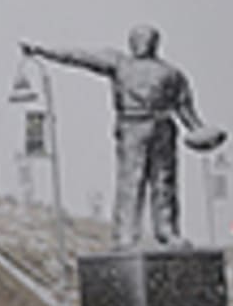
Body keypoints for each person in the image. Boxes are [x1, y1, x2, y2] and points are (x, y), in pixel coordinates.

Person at [21, 26, 225, 250]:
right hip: (132, 126)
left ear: (156, 43)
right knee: (131, 181)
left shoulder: (172, 74)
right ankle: (125, 234)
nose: (141, 42)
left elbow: (185, 109)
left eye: (146, 39)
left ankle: (167, 231)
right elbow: (79, 57)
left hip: (163, 128)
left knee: (164, 182)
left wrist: (201, 132)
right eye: (138, 38)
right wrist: (43, 50)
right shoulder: (119, 63)